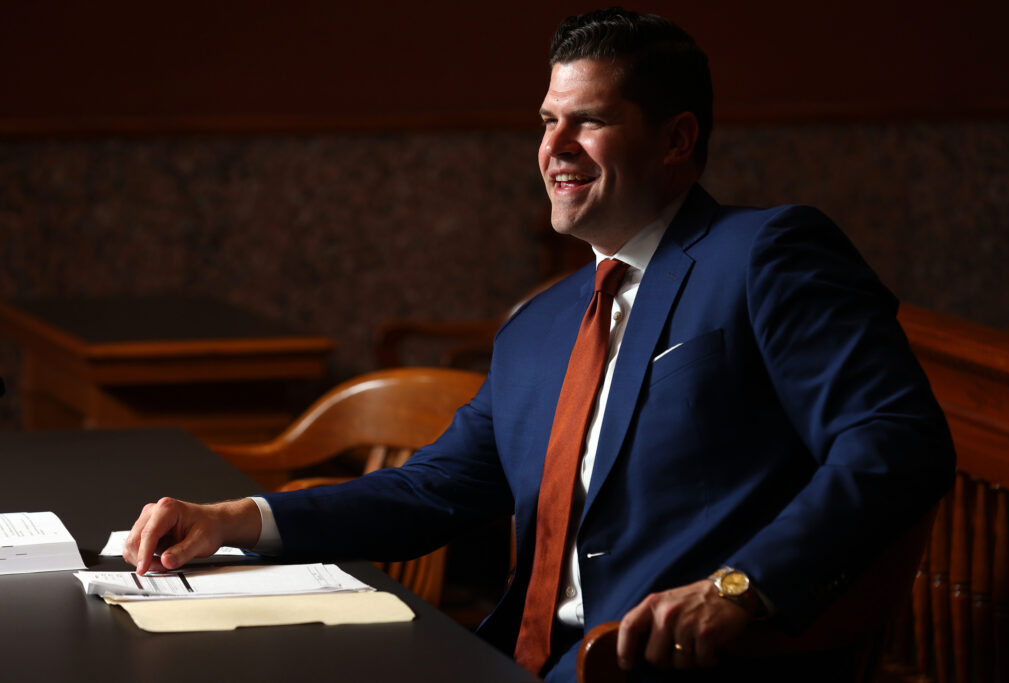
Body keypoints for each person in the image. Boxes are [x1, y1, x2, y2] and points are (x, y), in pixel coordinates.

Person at [124, 8, 955, 682]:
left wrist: (743, 588)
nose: (552, 149)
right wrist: (237, 517)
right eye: (548, 120)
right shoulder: (541, 322)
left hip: (664, 665)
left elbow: (896, 441)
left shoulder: (766, 254)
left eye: (588, 121)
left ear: (675, 140)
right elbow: (430, 491)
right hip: (510, 658)